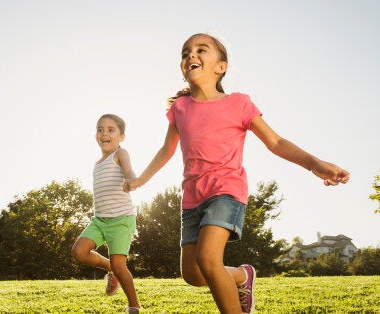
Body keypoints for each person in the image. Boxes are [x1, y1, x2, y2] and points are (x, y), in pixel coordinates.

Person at [124, 33, 350, 314]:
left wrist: (313, 163)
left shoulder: (239, 103)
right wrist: (140, 180)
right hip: (192, 197)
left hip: (226, 191)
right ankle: (242, 276)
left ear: (221, 66)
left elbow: (276, 142)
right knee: (193, 275)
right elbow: (166, 151)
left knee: (208, 260)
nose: (191, 55)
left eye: (201, 50)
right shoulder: (180, 108)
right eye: (185, 53)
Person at [71, 114, 141, 313]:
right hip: (99, 220)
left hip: (121, 220)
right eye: (100, 129)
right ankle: (110, 268)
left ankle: (134, 306)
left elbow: (129, 170)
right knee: (79, 252)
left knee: (120, 265)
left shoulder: (120, 153)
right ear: (96, 135)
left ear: (121, 136)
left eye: (111, 130)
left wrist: (132, 180)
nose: (104, 133)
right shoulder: (97, 164)